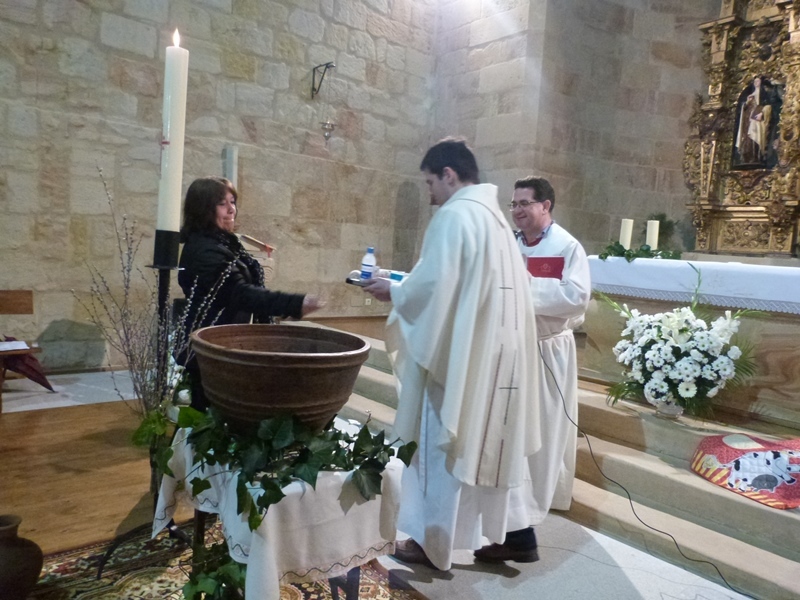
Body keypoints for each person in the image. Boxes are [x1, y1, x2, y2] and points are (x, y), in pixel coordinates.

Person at [363, 139, 541, 571]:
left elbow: (433, 289)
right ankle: (518, 534)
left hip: (461, 357)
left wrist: (395, 291)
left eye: (430, 182)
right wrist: (406, 284)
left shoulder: (456, 215)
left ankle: (432, 543)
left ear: (448, 174)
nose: (429, 194)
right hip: (499, 355)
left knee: (442, 444)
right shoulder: (496, 220)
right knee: (493, 443)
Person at [177, 176, 323, 411]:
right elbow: (240, 294)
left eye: (232, 202)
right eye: (222, 203)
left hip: (223, 344)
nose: (231, 209)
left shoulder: (223, 242)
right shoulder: (205, 250)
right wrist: (294, 303)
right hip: (212, 348)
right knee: (209, 415)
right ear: (203, 209)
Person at [508, 176, 590, 530]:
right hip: (511, 346)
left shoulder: (566, 246)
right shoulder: (508, 244)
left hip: (547, 349)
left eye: (524, 203)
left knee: (543, 424)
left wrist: (522, 287)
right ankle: (511, 495)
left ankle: (540, 495)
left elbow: (576, 297)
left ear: (545, 205)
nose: (517, 210)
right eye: (513, 204)